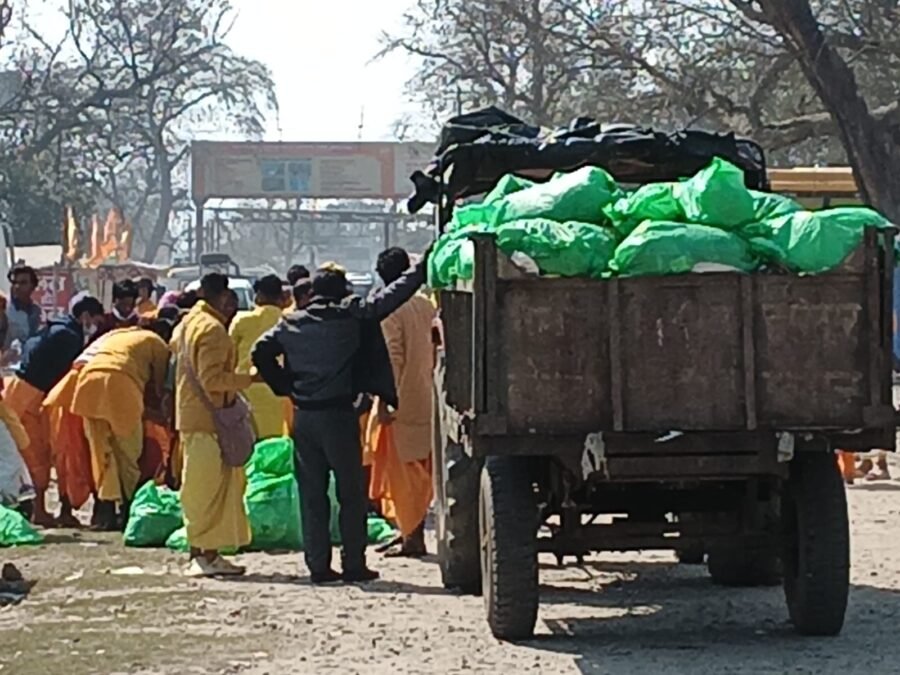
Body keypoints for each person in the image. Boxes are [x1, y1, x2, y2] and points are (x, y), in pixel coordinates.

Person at [253, 253, 429, 584]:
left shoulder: (291, 322)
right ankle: (353, 564)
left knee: (312, 495)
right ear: (340, 293)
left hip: (304, 418)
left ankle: (318, 567)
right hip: (338, 416)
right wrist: (420, 269)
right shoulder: (351, 316)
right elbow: (392, 296)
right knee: (350, 494)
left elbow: (259, 351)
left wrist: (284, 385)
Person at [174, 274, 253, 577]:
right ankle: (204, 553)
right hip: (209, 421)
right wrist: (250, 378)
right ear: (224, 298)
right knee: (209, 490)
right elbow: (213, 381)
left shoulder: (189, 322)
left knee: (199, 487)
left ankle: (206, 552)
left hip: (191, 416)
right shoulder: (212, 329)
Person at [3, 295, 105, 525]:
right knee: (36, 455)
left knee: (31, 455)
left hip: (21, 393)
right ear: (86, 316)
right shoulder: (69, 337)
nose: (94, 326)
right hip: (29, 399)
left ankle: (40, 509)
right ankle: (39, 511)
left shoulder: (56, 327)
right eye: (95, 320)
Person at [70, 316, 174, 530]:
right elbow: (159, 389)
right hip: (121, 384)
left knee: (101, 453)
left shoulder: (118, 334)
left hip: (87, 384)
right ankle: (128, 510)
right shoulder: (157, 342)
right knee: (128, 452)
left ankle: (105, 511)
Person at [366, 248, 437, 557]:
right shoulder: (426, 305)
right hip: (427, 396)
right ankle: (408, 530)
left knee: (402, 475)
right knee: (419, 470)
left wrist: (384, 403)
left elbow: (391, 359)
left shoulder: (389, 310)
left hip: (400, 402)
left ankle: (412, 537)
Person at [230, 275, 289, 439]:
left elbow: (229, 356)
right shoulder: (288, 320)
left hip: (247, 390)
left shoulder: (241, 321)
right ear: (280, 297)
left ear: (258, 296)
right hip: (280, 393)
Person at [4, 266, 42, 353]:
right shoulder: (4, 308)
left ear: (32, 286)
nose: (17, 286)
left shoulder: (35, 311)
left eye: (23, 283)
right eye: (15, 282)